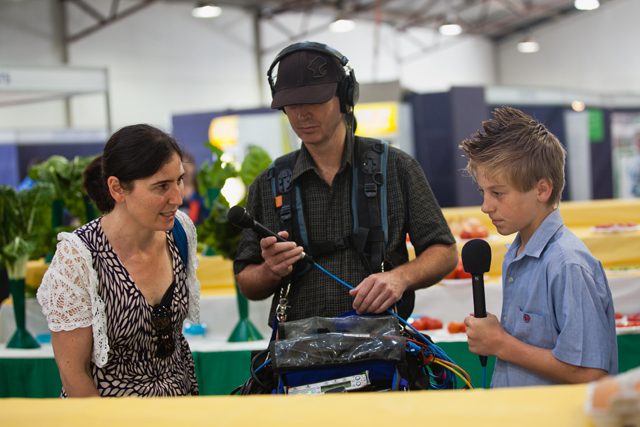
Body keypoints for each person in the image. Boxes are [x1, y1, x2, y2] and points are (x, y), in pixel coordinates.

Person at [234, 41, 458, 327]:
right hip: (301, 358)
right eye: (291, 104)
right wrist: (271, 270)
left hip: (381, 351)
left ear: (345, 96)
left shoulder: (396, 168)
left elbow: (445, 252)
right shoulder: (269, 184)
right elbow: (246, 282)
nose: (302, 114)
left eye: (314, 100)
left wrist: (400, 278)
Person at [36, 124, 201, 397]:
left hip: (179, 408)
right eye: (161, 186)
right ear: (117, 189)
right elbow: (73, 373)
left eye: (179, 180)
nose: (178, 197)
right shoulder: (79, 257)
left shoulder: (180, 231)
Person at [460, 106, 618, 387]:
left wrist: (500, 344)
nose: (486, 206)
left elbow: (591, 374)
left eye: (498, 193)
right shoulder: (518, 251)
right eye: (483, 193)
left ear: (542, 190)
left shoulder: (567, 263)